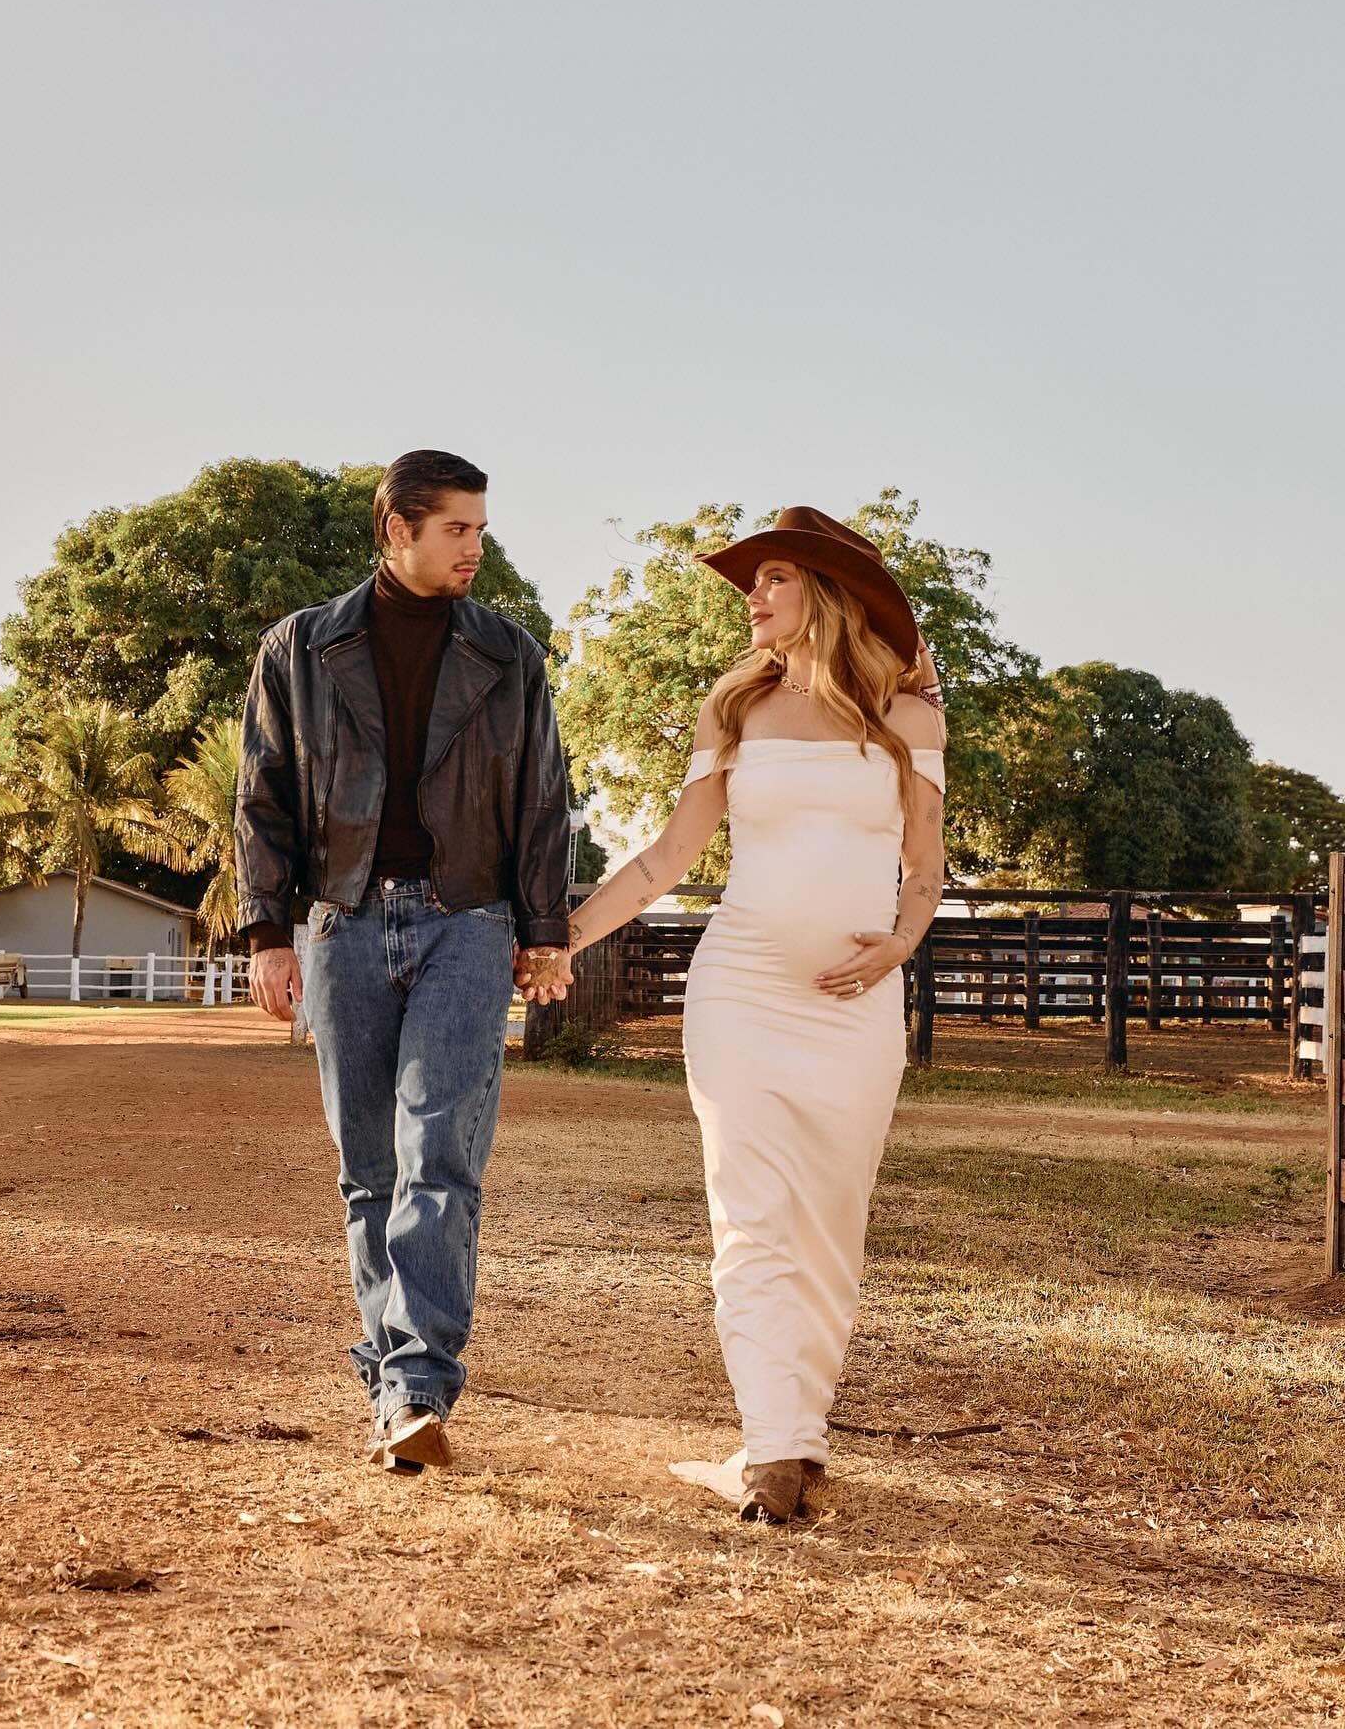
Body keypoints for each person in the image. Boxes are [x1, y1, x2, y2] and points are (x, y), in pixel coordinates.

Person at [534, 506, 946, 1522]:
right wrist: (563, 939)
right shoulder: (735, 709)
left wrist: (902, 941)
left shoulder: (909, 719)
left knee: (831, 1222)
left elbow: (925, 866)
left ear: (829, 594)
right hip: (742, 991)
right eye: (752, 581)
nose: (752, 596)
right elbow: (667, 859)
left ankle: (798, 1432)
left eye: (774, 577)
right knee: (751, 1216)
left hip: (855, 1009)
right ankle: (773, 1448)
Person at [235, 450, 573, 1474]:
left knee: (439, 1153)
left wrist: (544, 928)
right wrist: (266, 931)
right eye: (458, 529)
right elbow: (263, 794)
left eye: (480, 529)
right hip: (342, 923)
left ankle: (420, 1381)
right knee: (368, 1169)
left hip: (467, 920)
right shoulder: (299, 647)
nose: (476, 547)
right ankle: (391, 1382)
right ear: (398, 529)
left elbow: (543, 798)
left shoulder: (509, 654)